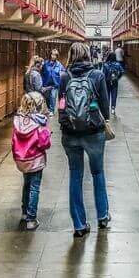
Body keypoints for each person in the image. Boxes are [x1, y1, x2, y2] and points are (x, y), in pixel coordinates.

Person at [58, 41, 112, 237]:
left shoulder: (64, 76)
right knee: (98, 173)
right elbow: (105, 106)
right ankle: (103, 216)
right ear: (88, 55)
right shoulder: (97, 75)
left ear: (71, 55)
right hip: (93, 132)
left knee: (75, 175)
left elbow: (61, 104)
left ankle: (79, 225)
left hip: (70, 134)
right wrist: (103, 119)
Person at [11, 91, 51, 231]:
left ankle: (24, 212)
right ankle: (31, 218)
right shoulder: (39, 122)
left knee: (26, 184)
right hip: (36, 159)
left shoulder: (18, 121)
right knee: (34, 187)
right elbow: (44, 144)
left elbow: (14, 141)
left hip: (22, 159)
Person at [103, 49, 124, 116]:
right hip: (115, 81)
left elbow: (103, 74)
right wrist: (118, 78)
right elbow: (122, 71)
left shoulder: (105, 65)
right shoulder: (117, 64)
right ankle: (113, 109)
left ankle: (107, 108)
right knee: (114, 95)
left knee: (107, 95)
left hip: (107, 81)